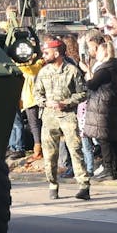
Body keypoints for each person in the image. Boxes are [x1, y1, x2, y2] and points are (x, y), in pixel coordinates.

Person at [34, 38, 91, 200]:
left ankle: (83, 186)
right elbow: (37, 95)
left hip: (68, 116)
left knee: (75, 150)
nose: (44, 55)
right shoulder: (44, 72)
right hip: (49, 117)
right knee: (50, 154)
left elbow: (83, 93)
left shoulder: (72, 71)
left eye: (47, 52)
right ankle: (52, 184)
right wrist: (46, 103)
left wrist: (65, 103)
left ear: (57, 53)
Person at [80, 34, 117, 180]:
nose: (95, 54)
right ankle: (114, 167)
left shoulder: (105, 70)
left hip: (102, 107)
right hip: (110, 106)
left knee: (104, 139)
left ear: (104, 53)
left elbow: (91, 85)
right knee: (111, 138)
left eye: (98, 51)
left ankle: (109, 168)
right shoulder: (115, 67)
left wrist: (87, 73)